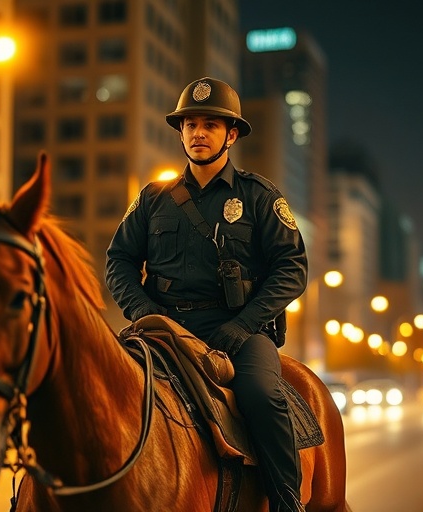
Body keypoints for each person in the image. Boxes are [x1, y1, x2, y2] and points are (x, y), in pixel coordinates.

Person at [105, 77, 309, 512]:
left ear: (231, 134)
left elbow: (292, 269)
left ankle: (288, 504)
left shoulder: (258, 196)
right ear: (180, 132)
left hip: (237, 330)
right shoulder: (153, 198)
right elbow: (118, 260)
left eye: (210, 125)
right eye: (190, 124)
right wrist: (142, 311)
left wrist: (244, 324)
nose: (198, 133)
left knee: (261, 395)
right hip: (162, 327)